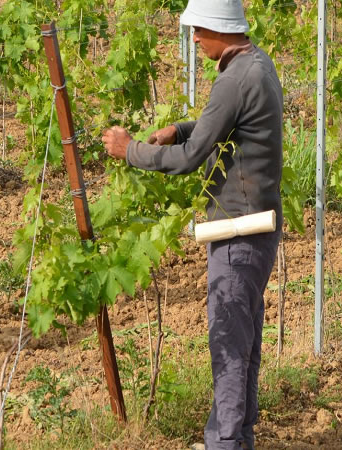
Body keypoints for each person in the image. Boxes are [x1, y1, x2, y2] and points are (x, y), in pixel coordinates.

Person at [102, 0, 283, 448]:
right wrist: (181, 129)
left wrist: (131, 151)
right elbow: (220, 129)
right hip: (257, 228)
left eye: (199, 29)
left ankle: (225, 443)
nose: (196, 38)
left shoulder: (234, 80)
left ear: (219, 29)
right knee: (243, 343)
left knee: (227, 345)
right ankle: (237, 438)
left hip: (237, 231)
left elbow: (189, 161)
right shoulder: (257, 64)